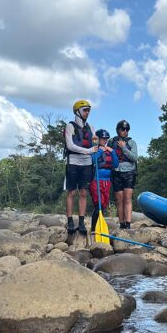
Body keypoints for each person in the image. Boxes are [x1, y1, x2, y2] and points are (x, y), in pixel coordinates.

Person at [65, 99, 99, 235]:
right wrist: (89, 151)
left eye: (88, 110)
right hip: (73, 162)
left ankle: (81, 222)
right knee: (71, 192)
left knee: (83, 193)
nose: (87, 113)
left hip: (87, 164)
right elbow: (70, 145)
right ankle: (69, 221)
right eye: (85, 110)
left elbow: (95, 144)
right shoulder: (70, 126)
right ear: (78, 111)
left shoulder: (91, 127)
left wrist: (96, 148)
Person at [109, 120, 138, 229]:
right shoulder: (111, 141)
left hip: (129, 172)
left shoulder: (131, 142)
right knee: (119, 198)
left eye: (127, 129)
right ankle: (121, 223)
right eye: (123, 129)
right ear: (118, 130)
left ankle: (128, 223)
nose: (125, 131)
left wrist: (124, 148)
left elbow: (135, 158)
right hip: (116, 172)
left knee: (127, 198)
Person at [90, 129, 120, 236]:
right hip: (96, 181)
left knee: (103, 204)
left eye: (106, 139)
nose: (105, 141)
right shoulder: (95, 149)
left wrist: (112, 152)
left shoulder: (110, 150)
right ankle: (94, 229)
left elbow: (116, 165)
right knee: (98, 205)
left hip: (107, 182)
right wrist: (100, 151)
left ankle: (99, 225)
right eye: (103, 139)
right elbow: (92, 161)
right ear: (98, 139)